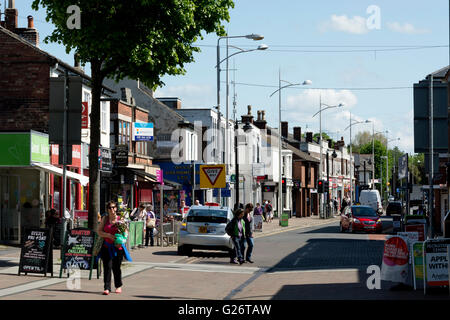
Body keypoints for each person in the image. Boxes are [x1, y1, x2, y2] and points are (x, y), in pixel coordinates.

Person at [97, 200, 128, 295]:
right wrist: (108, 235)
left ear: (116, 208)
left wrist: (123, 240)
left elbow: (126, 232)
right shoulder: (105, 219)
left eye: (113, 207)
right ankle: (107, 288)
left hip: (117, 247)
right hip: (107, 247)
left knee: (116, 267)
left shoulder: (120, 219)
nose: (112, 209)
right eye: (110, 207)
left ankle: (118, 286)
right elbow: (99, 231)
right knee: (107, 267)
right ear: (107, 209)